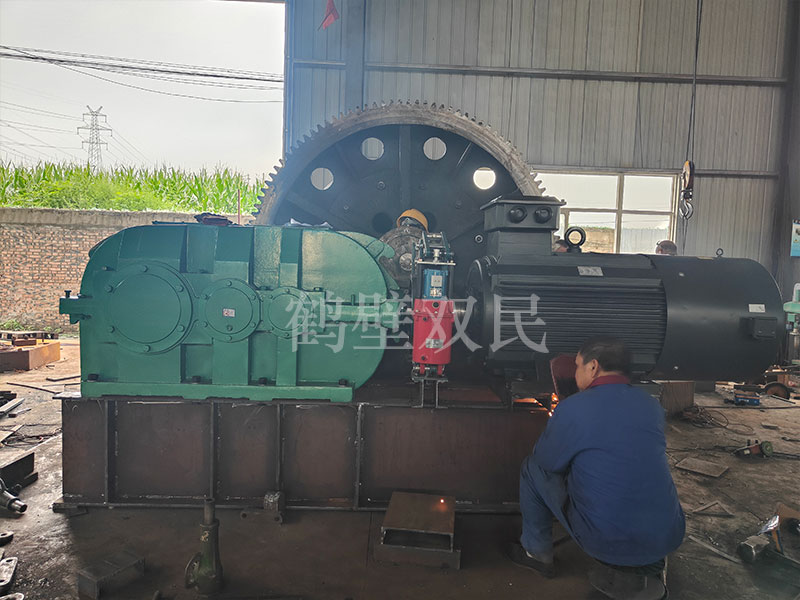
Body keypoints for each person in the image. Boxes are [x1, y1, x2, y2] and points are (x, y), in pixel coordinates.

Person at [508, 336, 684, 600]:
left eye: (578, 366)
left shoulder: (574, 408)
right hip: (668, 535)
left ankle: (536, 553)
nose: (575, 373)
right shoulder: (651, 405)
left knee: (532, 468)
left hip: (607, 541)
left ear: (593, 367)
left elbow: (547, 462)